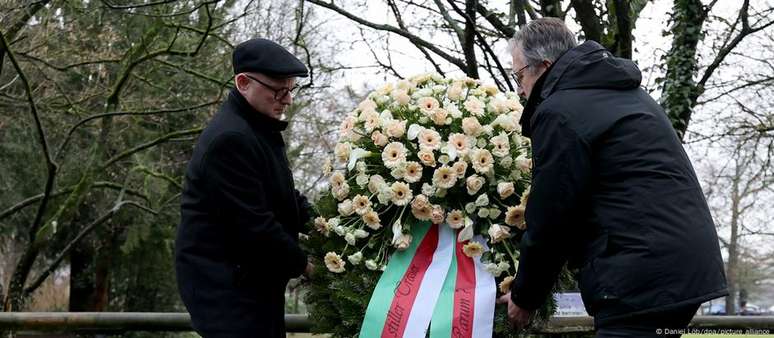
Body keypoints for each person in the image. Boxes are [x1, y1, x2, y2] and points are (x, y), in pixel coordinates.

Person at [498, 18, 728, 337]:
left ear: (544, 66)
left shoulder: (560, 110)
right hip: (674, 266)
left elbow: (552, 214)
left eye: (518, 75)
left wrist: (525, 295)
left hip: (637, 274)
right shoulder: (621, 93)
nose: (520, 89)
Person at [175, 38, 313, 338]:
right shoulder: (231, 139)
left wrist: (327, 224)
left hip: (251, 281)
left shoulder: (257, 127)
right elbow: (255, 225)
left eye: (290, 90)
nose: (287, 99)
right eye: (279, 90)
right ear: (242, 82)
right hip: (228, 291)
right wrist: (309, 266)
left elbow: (284, 196)